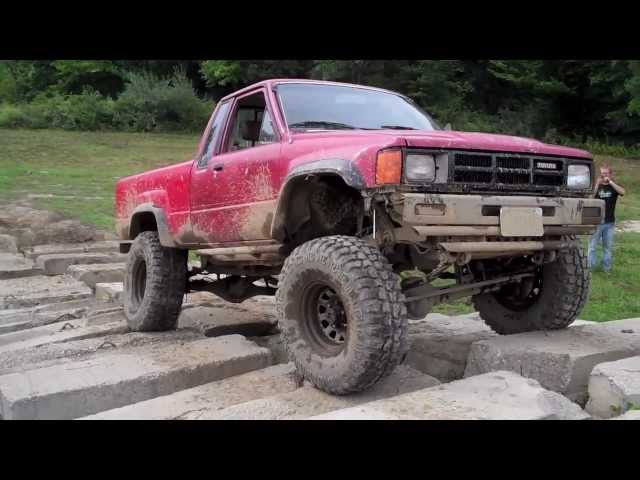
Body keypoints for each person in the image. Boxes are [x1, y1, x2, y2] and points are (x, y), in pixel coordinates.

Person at [588, 165, 625, 272]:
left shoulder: (613, 187)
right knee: (592, 247)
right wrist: (596, 185)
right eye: (602, 173)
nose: (603, 175)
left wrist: (611, 182)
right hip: (597, 222)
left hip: (609, 223)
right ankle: (590, 267)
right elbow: (590, 199)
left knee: (607, 248)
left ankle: (606, 268)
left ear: (610, 174)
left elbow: (623, 192)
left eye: (606, 173)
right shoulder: (597, 186)